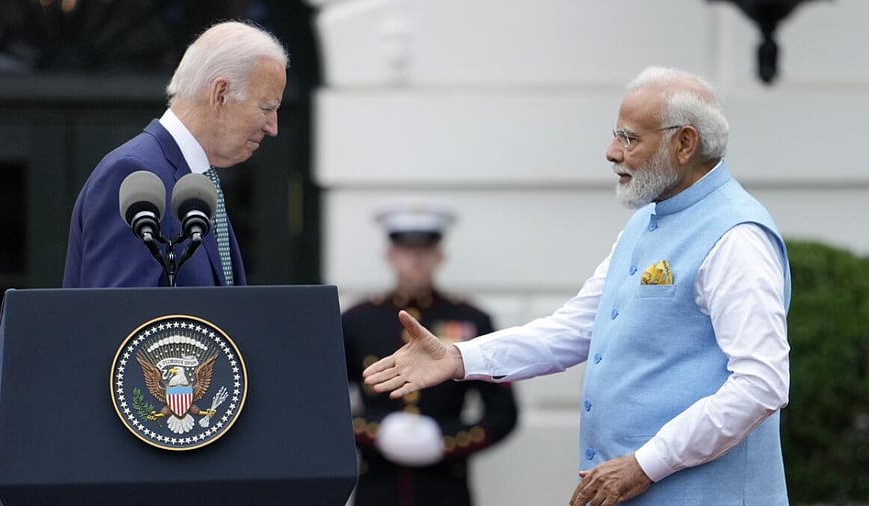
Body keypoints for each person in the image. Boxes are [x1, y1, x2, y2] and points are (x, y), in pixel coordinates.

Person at [364, 66, 791, 505]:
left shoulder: (736, 237)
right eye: (616, 135)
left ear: (684, 143)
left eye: (629, 138)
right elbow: (572, 329)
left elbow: (761, 384)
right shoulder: (646, 222)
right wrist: (459, 357)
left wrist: (647, 463)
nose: (611, 152)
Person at [62, 20, 288, 288]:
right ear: (220, 94)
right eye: (266, 107)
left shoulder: (198, 181)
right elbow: (119, 321)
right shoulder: (135, 175)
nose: (272, 127)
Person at [344, 204, 518, 506]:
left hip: (445, 488)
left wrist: (444, 440)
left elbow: (502, 413)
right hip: (377, 488)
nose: (415, 259)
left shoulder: (472, 319)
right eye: (405, 249)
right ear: (390, 255)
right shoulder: (358, 320)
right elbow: (325, 405)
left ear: (440, 256)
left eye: (424, 250)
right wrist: (375, 432)